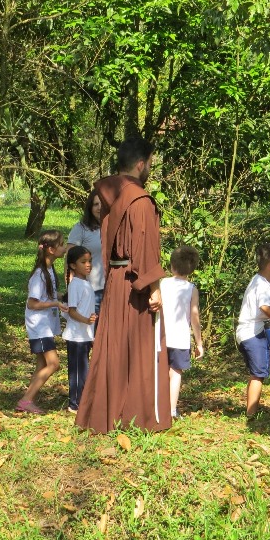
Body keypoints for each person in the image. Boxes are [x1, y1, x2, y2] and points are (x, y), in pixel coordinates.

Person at [76, 137, 170, 433]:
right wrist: (153, 287)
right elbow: (145, 250)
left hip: (116, 281)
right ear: (141, 164)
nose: (150, 168)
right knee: (137, 345)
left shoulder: (112, 195)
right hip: (133, 283)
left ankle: (104, 415)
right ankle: (136, 416)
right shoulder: (140, 201)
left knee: (113, 346)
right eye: (150, 163)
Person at [16, 229, 68, 414]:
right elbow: (32, 303)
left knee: (42, 364)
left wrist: (63, 297)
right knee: (54, 364)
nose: (64, 248)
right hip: (39, 326)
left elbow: (48, 295)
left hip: (44, 325)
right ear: (51, 250)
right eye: (61, 244)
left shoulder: (49, 270)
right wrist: (55, 303)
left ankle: (27, 401)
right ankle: (25, 400)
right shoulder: (39, 274)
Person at [236, 244, 270, 416]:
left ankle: (251, 410)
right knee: (258, 374)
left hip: (247, 332)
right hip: (253, 333)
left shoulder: (259, 281)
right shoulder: (263, 285)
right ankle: (251, 413)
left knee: (256, 373)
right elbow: (264, 307)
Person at [161, 245, 204, 419]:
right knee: (176, 372)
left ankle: (158, 405)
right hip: (180, 338)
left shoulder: (162, 283)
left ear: (172, 265)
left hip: (161, 335)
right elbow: (194, 317)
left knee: (160, 370)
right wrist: (199, 343)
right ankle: (171, 410)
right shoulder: (191, 289)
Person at [62, 246, 98, 414]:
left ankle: (82, 401)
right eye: (83, 262)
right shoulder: (75, 285)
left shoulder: (86, 283)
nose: (88, 265)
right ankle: (74, 404)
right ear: (73, 265)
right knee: (77, 371)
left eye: (89, 261)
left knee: (83, 369)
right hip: (76, 336)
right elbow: (72, 311)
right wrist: (86, 321)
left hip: (84, 335)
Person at [67, 190, 105, 316]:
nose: (99, 207)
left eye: (102, 203)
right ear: (90, 207)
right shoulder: (80, 228)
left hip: (111, 288)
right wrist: (71, 288)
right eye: (96, 204)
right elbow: (69, 259)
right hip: (90, 289)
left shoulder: (113, 227)